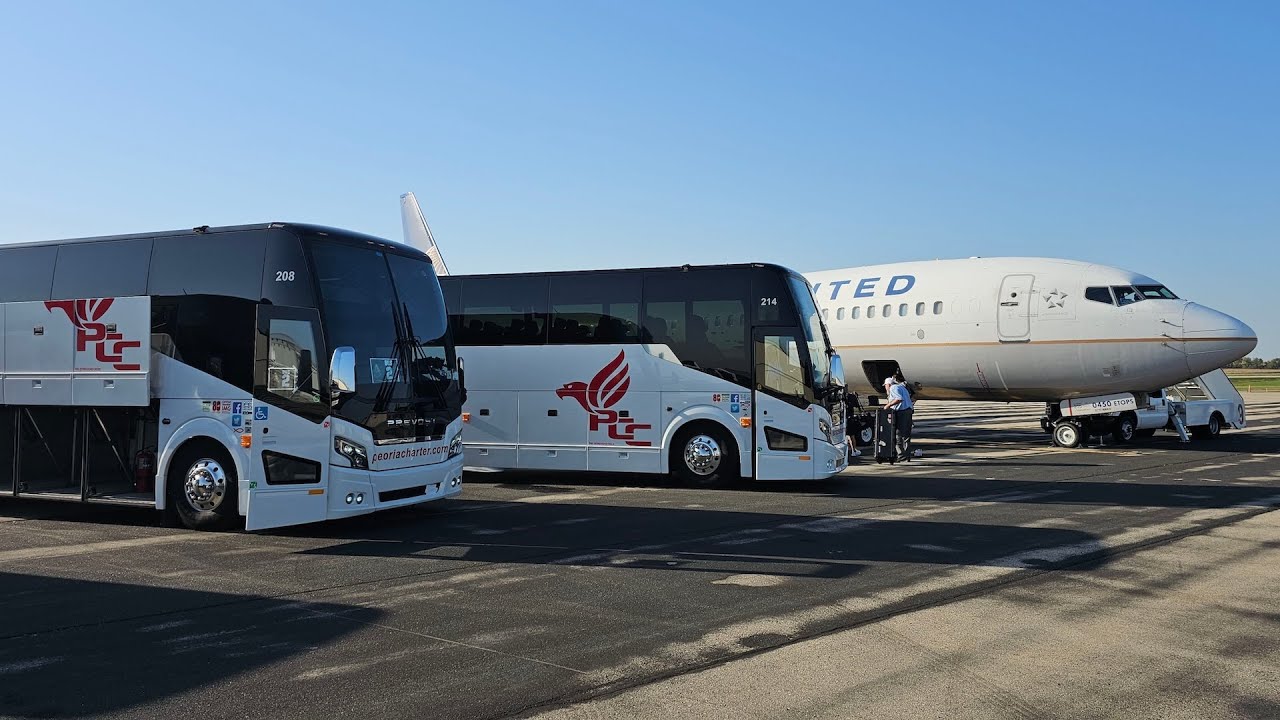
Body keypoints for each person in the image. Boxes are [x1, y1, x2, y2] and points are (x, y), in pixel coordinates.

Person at [884, 374, 914, 462]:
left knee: (897, 434)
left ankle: (900, 455)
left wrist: (888, 405)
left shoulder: (893, 388)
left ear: (888, 385)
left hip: (901, 412)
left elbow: (899, 399)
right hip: (908, 411)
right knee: (906, 435)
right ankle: (907, 455)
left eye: (885, 386)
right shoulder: (903, 388)